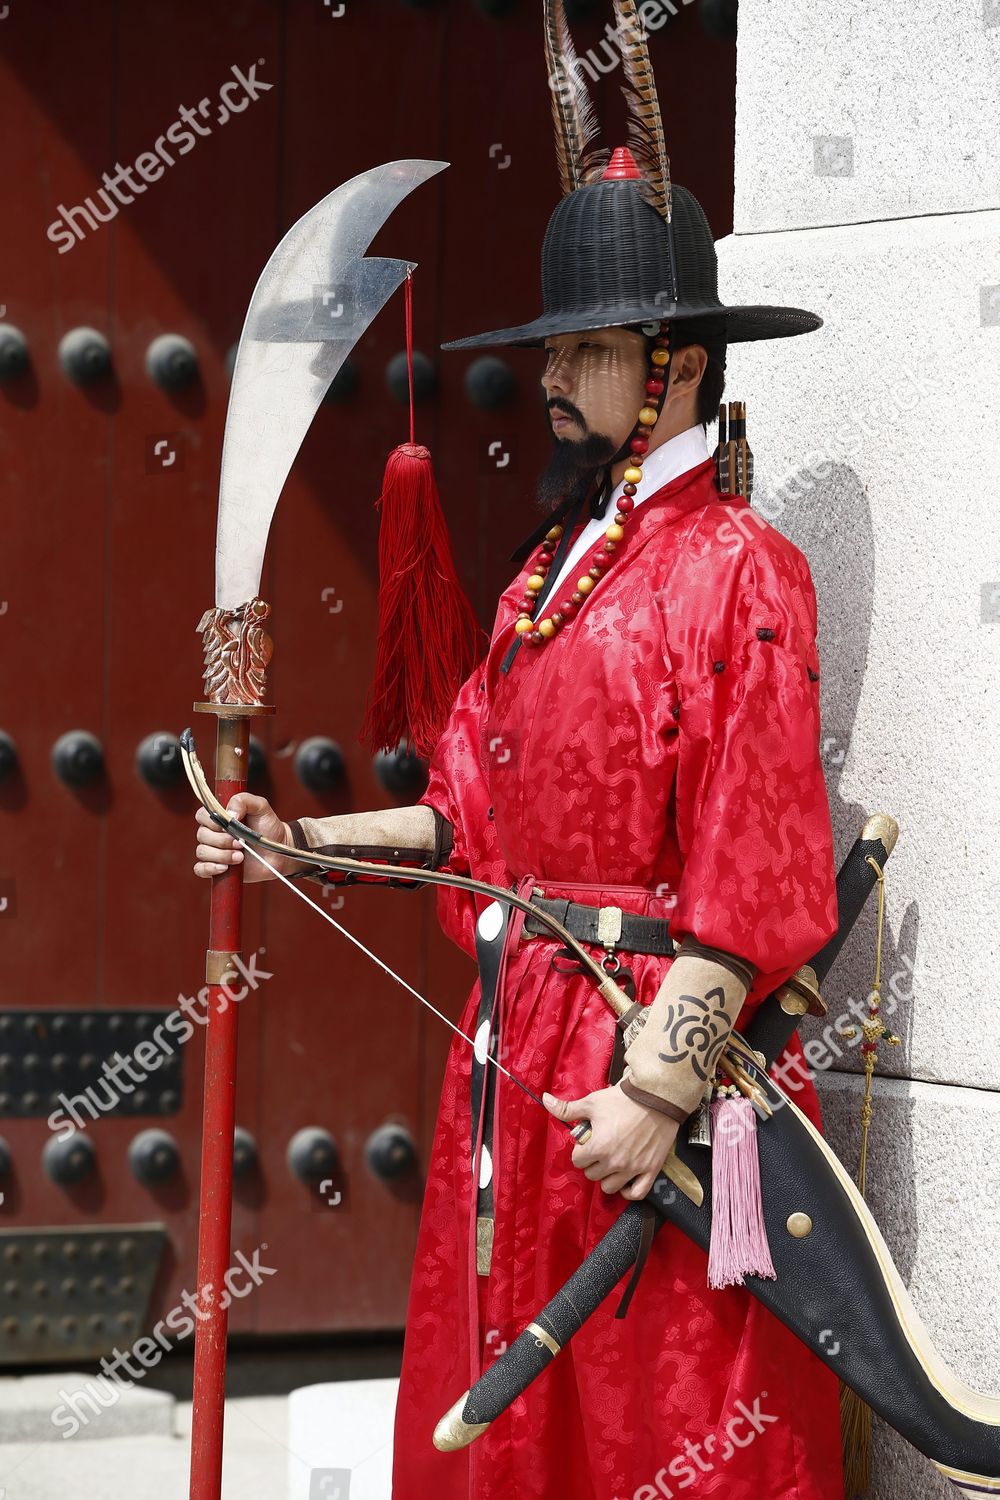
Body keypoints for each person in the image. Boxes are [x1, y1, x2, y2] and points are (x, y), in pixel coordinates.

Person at [194, 7, 846, 1495]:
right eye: (554, 354)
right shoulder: (550, 583)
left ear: (673, 369)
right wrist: (288, 843)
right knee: (511, 1423)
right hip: (519, 1058)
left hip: (652, 1070)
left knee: (655, 1413)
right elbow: (469, 814)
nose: (553, 383)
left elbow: (758, 867)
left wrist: (659, 1091)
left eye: (586, 355)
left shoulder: (743, 570)